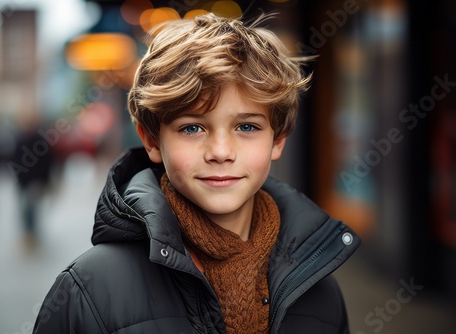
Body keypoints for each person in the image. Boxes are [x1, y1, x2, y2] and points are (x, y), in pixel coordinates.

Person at [33, 13, 360, 334]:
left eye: (247, 127)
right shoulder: (89, 291)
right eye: (192, 128)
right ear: (151, 140)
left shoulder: (319, 289)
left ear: (278, 139)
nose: (220, 152)